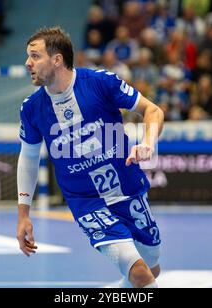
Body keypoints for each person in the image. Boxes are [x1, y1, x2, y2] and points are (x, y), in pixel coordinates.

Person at [16, 27, 164, 288]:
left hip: (128, 189)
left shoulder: (100, 82)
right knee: (141, 275)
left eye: (35, 56)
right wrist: (23, 214)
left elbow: (152, 110)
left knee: (151, 266)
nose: (28, 63)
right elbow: (28, 159)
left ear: (57, 59)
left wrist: (148, 143)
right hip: (87, 203)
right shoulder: (31, 108)